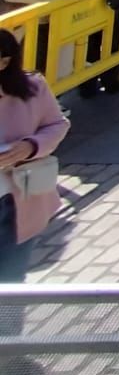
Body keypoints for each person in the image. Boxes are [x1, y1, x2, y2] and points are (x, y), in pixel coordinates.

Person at [0, 28, 69, 283]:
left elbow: (57, 125)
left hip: (16, 201)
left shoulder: (32, 88)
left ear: (4, 62)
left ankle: (8, 325)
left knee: (9, 283)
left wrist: (31, 146)